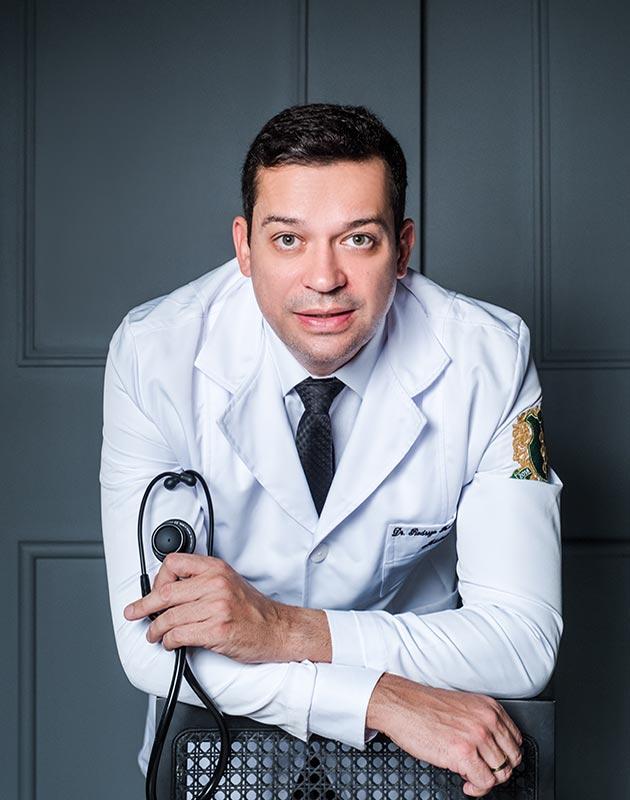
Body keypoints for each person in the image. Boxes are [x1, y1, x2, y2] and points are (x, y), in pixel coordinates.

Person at [100, 103, 562, 798]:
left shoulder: (487, 359)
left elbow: (522, 644)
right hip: (223, 756)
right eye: (288, 240)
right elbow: (152, 647)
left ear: (403, 249)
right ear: (244, 248)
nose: (323, 279)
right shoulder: (154, 353)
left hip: (414, 766)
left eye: (358, 240)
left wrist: (283, 630)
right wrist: (376, 698)